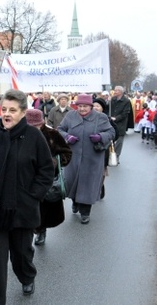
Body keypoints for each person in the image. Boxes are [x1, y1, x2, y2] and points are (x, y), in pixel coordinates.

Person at [0, 89, 55, 302]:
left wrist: (33, 196)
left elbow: (47, 170)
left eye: (12, 110)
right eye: (4, 109)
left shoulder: (34, 137)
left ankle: (27, 275)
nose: (7, 114)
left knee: (21, 255)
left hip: (23, 209)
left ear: (23, 113)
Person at [58, 94, 115, 224]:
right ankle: (75, 202)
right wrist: (67, 137)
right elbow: (60, 129)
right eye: (80, 106)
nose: (82, 109)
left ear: (91, 106)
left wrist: (100, 137)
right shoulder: (70, 116)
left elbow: (111, 132)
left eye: (85, 106)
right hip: (73, 157)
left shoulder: (101, 117)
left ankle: (85, 212)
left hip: (92, 158)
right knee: (72, 182)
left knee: (87, 185)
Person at [25, 109, 72, 246]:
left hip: (46, 179)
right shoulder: (19, 133)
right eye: (30, 126)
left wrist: (55, 162)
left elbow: (67, 152)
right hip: (25, 178)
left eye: (36, 126)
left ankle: (40, 230)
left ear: (42, 123)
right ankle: (27, 234)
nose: (33, 129)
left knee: (42, 209)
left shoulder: (52, 134)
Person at [92, 98, 119, 199]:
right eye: (93, 106)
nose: (95, 108)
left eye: (98, 106)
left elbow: (115, 133)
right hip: (90, 149)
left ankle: (100, 187)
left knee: (101, 170)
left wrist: (104, 138)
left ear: (102, 108)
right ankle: (92, 188)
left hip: (103, 149)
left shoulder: (107, 119)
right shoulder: (86, 118)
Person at [109, 86, 131, 162]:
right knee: (111, 140)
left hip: (121, 124)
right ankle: (110, 155)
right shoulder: (112, 99)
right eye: (114, 90)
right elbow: (109, 109)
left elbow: (125, 113)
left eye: (116, 90)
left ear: (121, 92)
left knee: (119, 141)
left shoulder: (126, 101)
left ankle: (116, 156)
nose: (115, 92)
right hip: (111, 123)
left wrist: (116, 118)